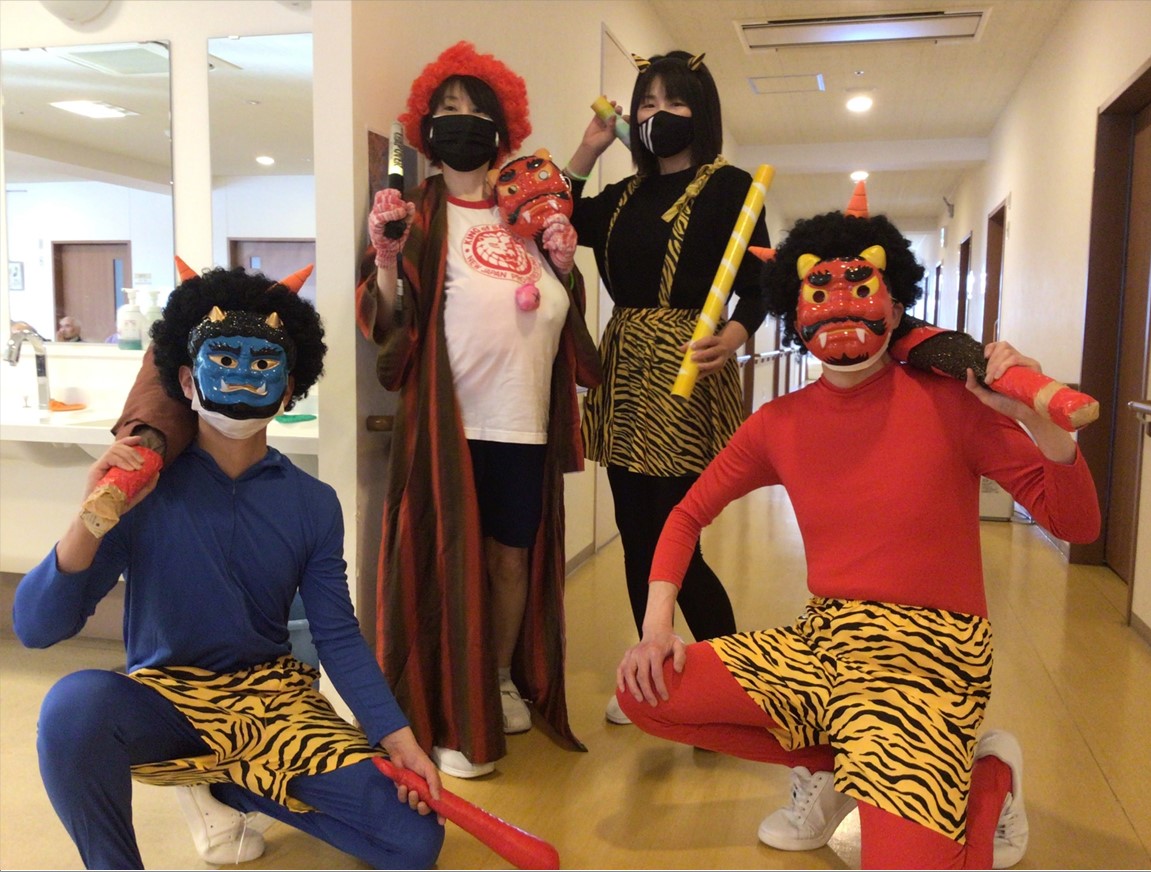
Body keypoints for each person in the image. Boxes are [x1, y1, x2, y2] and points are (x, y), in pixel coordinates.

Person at [614, 209, 1102, 869]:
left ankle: (989, 777)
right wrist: (656, 628)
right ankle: (842, 767)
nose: (840, 305)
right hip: (828, 643)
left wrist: (1035, 421)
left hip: (932, 661)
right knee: (645, 689)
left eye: (861, 286)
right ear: (793, 311)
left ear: (896, 306)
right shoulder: (777, 424)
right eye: (818, 291)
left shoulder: (954, 403)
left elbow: (1076, 525)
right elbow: (685, 515)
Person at [13, 266, 446, 870]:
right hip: (168, 703)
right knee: (72, 707)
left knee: (415, 841)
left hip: (275, 706)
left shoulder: (313, 503)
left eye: (264, 362)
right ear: (186, 379)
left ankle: (237, 787)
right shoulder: (144, 491)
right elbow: (37, 628)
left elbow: (338, 635)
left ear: (290, 387)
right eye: (223, 358)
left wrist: (397, 738)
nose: (243, 374)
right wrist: (91, 516)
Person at [355, 41, 600, 780]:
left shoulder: (523, 206)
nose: (460, 122)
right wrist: (387, 259)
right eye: (446, 110)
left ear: (502, 128)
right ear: (425, 127)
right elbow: (389, 324)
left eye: (474, 111)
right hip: (449, 427)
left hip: (523, 420)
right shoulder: (419, 212)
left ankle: (494, 678)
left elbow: (560, 312)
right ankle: (449, 705)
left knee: (510, 560)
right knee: (449, 563)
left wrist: (563, 266)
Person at [563, 50, 771, 725]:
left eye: (674, 102)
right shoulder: (622, 197)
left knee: (678, 538)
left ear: (700, 112)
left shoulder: (732, 187)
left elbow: (761, 284)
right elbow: (553, 217)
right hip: (628, 369)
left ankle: (727, 683)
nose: (659, 115)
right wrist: (589, 149)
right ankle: (652, 674)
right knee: (635, 531)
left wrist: (733, 337)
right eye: (647, 103)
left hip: (691, 370)